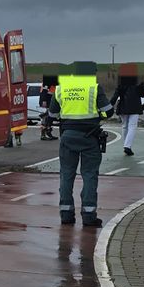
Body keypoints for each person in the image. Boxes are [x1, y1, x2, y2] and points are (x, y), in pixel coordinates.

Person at [48, 61, 113, 227]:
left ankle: (66, 214)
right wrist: (100, 115)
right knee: (89, 175)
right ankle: (89, 215)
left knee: (66, 174)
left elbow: (52, 113)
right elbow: (108, 110)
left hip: (68, 136)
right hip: (90, 137)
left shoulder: (62, 87)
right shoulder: (94, 87)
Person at [109, 64, 144, 156]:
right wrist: (142, 86)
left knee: (125, 126)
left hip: (123, 107)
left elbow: (115, 96)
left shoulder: (121, 84)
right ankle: (127, 146)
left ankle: (126, 145)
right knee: (132, 126)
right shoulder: (138, 83)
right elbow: (143, 94)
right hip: (134, 107)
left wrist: (109, 106)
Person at [38, 74, 58, 140]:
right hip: (46, 101)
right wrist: (44, 101)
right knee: (46, 117)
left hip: (50, 100)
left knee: (49, 118)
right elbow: (44, 90)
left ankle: (48, 133)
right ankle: (43, 135)